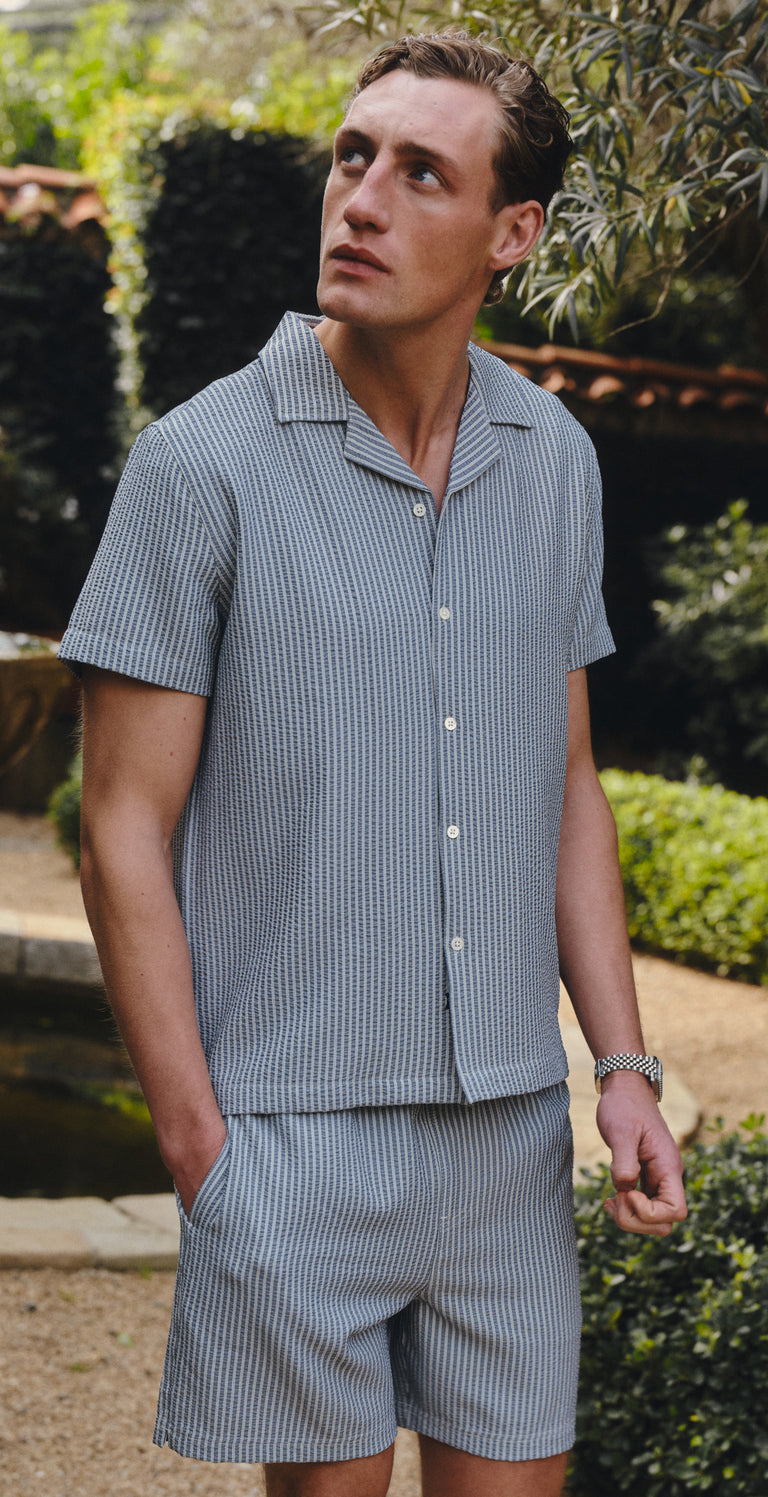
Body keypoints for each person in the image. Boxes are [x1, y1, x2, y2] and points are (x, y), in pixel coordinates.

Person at [59, 31, 687, 1497]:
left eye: (421, 172)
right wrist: (202, 1142)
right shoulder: (199, 465)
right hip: (289, 1139)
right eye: (352, 156)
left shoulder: (555, 462)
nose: (362, 200)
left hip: (508, 1148)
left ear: (511, 234)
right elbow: (122, 829)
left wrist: (626, 1066)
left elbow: (568, 782)